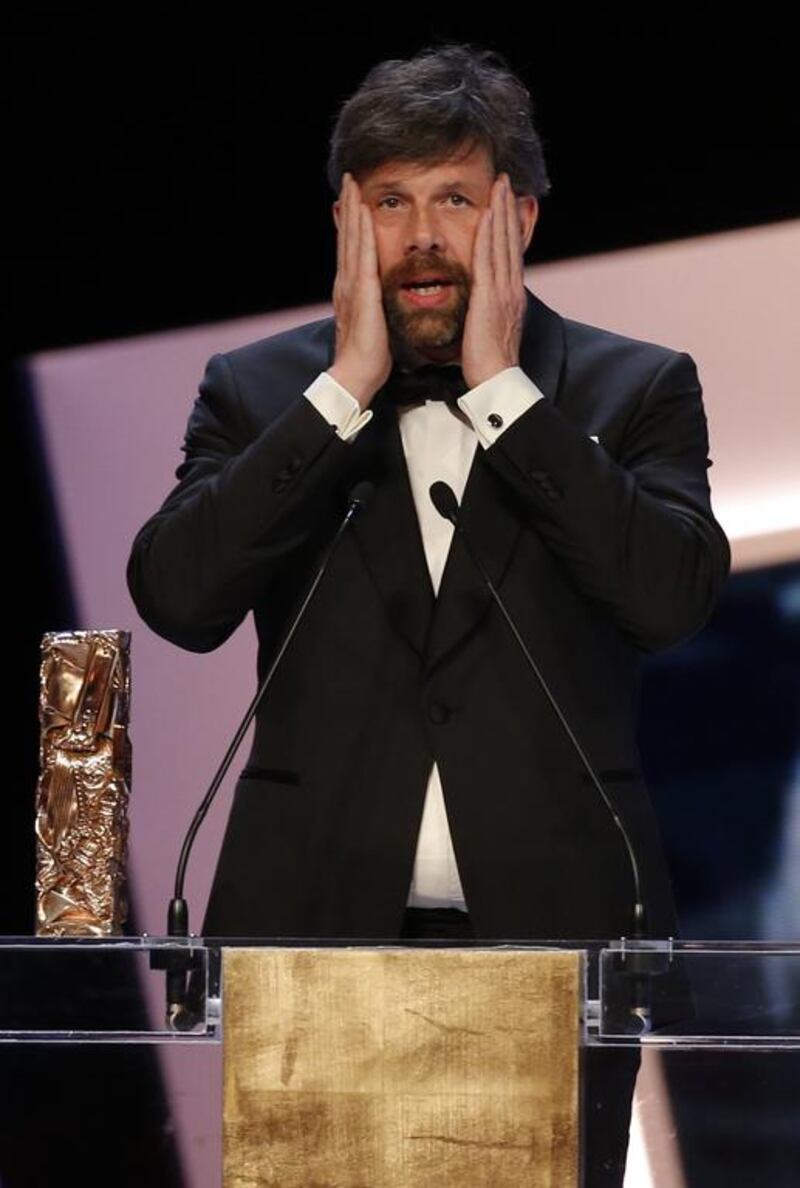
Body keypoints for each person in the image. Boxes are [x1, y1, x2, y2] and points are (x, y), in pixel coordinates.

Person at [126, 44, 730, 1185]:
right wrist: (342, 394)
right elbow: (178, 597)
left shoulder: (631, 389)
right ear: (344, 222)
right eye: (388, 203)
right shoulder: (259, 394)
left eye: (454, 199)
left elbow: (669, 600)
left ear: (522, 217)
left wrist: (506, 395)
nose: (419, 239)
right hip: (311, 943)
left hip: (556, 950)